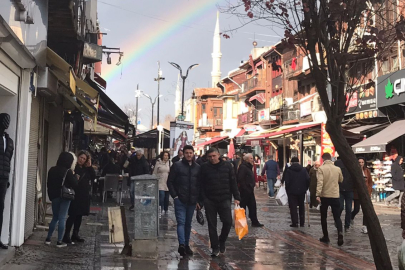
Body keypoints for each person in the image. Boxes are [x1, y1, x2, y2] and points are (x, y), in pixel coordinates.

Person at [200, 148, 241, 257]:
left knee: (227, 222)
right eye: (210, 157)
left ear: (218, 155)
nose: (212, 158)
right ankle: (215, 247)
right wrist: (203, 199)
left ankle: (221, 240)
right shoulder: (204, 167)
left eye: (214, 156)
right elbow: (201, 184)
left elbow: (233, 181)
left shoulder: (227, 166)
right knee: (212, 225)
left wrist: (237, 196)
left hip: (224, 198)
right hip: (210, 199)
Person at [167, 145, 200, 257]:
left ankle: (186, 245)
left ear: (193, 153)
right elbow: (170, 181)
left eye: (190, 153)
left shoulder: (197, 167)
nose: (189, 155)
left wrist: (199, 200)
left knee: (188, 224)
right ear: (183, 154)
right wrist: (175, 196)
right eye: (187, 153)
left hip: (192, 200)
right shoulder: (177, 166)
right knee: (181, 222)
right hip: (180, 199)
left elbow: (200, 185)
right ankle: (181, 244)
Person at [45, 152, 78, 247]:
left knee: (55, 217)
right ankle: (59, 241)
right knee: (62, 218)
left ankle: (48, 238)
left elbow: (48, 184)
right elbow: (75, 184)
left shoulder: (52, 170)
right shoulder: (68, 171)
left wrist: (51, 195)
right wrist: (75, 176)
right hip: (65, 196)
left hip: (54, 196)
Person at [63, 151, 95, 244]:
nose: (82, 160)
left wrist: (90, 166)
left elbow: (93, 177)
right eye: (81, 157)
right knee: (73, 215)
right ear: (78, 157)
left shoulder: (87, 169)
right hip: (75, 194)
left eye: (84, 159)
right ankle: (66, 234)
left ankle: (75, 234)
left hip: (84, 195)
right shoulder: (73, 167)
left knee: (80, 215)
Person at [316, 153, 344, 246]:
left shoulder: (321, 169)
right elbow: (341, 180)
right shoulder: (337, 169)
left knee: (323, 216)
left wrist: (318, 194)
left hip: (325, 195)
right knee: (337, 216)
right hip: (335, 195)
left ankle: (326, 236)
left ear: (323, 159)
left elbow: (320, 182)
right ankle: (340, 232)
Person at [237, 154, 264, 227]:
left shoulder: (249, 166)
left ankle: (254, 221)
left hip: (249, 189)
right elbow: (240, 179)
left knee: (252, 206)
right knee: (243, 206)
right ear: (247, 159)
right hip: (245, 190)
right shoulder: (243, 167)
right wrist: (245, 187)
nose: (253, 159)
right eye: (251, 158)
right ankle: (242, 221)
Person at [283, 157, 310, 227]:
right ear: (298, 162)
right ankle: (302, 222)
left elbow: (287, 181)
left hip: (292, 191)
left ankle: (294, 222)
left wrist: (287, 190)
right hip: (302, 191)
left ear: (291, 162)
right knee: (301, 206)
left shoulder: (289, 170)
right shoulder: (303, 170)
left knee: (293, 207)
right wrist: (305, 188)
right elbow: (307, 179)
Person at [351, 157, 373, 234]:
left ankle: (364, 226)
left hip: (365, 193)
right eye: (359, 162)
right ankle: (351, 217)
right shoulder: (355, 171)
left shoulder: (367, 171)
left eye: (362, 162)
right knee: (356, 209)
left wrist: (369, 191)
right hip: (357, 193)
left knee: (365, 210)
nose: (361, 164)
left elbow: (370, 181)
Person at [335, 158, 354, 232]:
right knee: (340, 207)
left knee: (349, 209)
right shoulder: (337, 163)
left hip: (349, 189)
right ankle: (337, 221)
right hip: (340, 188)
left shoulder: (352, 162)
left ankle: (347, 225)